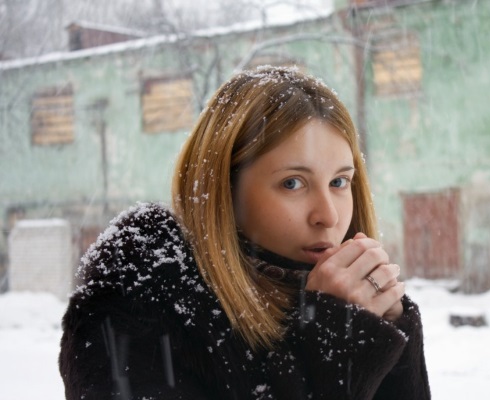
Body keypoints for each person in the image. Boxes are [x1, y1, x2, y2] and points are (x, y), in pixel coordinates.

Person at [59, 66, 430, 399]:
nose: (328, 216)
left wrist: (390, 341)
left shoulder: (354, 302)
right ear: (224, 189)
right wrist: (329, 344)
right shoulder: (138, 305)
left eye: (338, 181)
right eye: (292, 183)